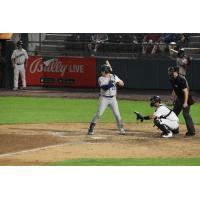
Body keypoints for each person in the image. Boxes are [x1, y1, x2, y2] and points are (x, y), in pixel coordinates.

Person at [88, 62, 125, 135]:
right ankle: (91, 128)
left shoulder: (114, 76)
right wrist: (112, 83)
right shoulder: (101, 78)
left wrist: (118, 82)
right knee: (99, 114)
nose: (101, 72)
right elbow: (105, 88)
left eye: (102, 71)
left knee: (117, 114)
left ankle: (121, 129)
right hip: (104, 98)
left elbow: (122, 83)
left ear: (105, 71)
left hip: (113, 99)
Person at [168, 66, 196, 136]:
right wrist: (172, 99)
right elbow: (174, 90)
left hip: (186, 98)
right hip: (179, 98)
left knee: (185, 114)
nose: (170, 72)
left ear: (176, 72)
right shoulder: (171, 79)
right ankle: (175, 129)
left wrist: (185, 102)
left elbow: (186, 91)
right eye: (170, 71)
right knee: (174, 114)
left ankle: (191, 131)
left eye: (172, 71)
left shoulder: (181, 79)